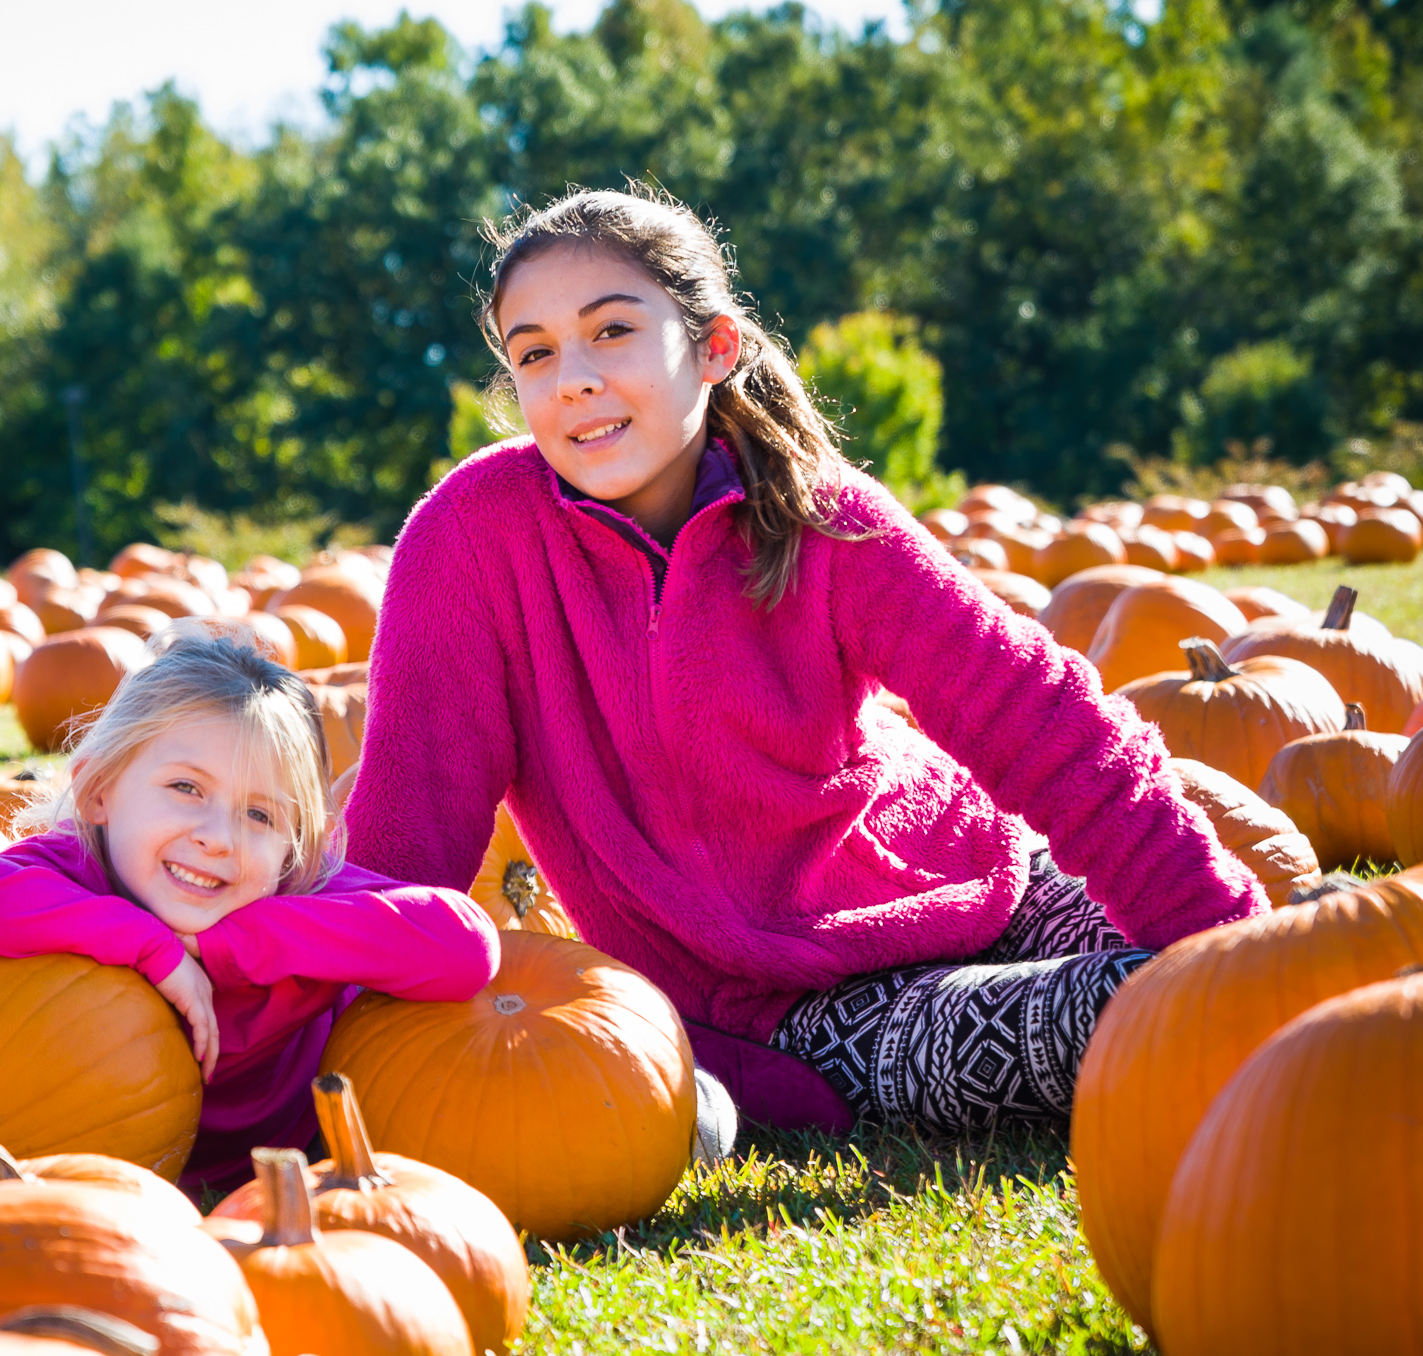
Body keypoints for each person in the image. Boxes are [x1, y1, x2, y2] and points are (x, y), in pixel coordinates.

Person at [343, 185, 1266, 1144]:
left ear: (714, 348)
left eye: (611, 332)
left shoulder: (821, 516)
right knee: (1136, 1012)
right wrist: (337, 1076)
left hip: (986, 877)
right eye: (534, 352)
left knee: (1238, 968)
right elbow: (412, 834)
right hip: (797, 1010)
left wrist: (1230, 937)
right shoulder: (471, 543)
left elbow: (1039, 714)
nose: (571, 378)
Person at [0, 621, 499, 1190]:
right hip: (96, 1167)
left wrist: (234, 947)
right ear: (96, 791)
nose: (219, 836)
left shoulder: (295, 896)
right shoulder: (72, 874)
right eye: (186, 788)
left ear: (293, 845)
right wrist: (146, 945)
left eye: (260, 814)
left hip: (275, 1165)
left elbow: (465, 944)